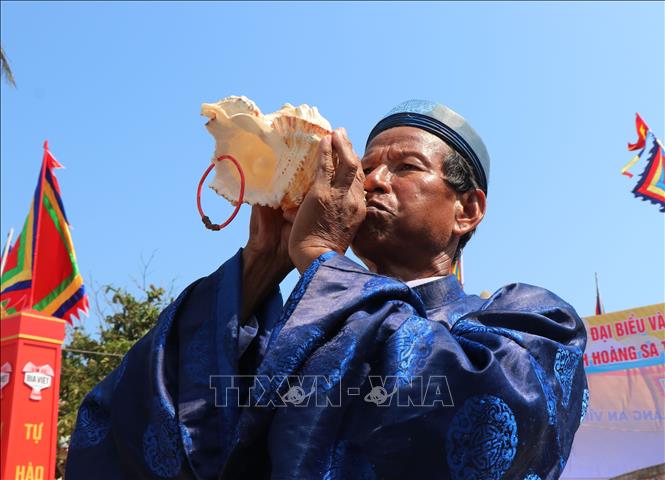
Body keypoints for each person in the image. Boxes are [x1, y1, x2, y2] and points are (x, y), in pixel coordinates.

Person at [66, 100, 588, 480]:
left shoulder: (532, 323)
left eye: (406, 167)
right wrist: (258, 268)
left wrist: (320, 259)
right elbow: (124, 427)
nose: (373, 181)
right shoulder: (288, 339)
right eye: (367, 168)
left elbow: (488, 427)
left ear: (467, 210)